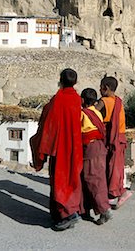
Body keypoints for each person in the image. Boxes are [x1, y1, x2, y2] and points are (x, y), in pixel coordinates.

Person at [30, 68, 83, 230]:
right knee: (71, 178)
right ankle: (63, 214)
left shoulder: (58, 100)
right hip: (74, 147)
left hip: (61, 148)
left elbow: (49, 122)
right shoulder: (76, 99)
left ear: (60, 80)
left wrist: (41, 146)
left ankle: (66, 214)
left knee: (60, 180)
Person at [96, 76, 132, 209]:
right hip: (120, 137)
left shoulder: (103, 101)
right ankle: (118, 191)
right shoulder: (118, 101)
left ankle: (114, 194)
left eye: (101, 87)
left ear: (105, 88)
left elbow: (92, 114)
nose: (99, 90)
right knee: (116, 166)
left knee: (110, 166)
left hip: (111, 138)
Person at [81, 88, 112, 225]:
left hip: (90, 149)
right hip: (100, 148)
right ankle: (85, 209)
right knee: (97, 179)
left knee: (92, 180)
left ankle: (104, 210)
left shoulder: (82, 114)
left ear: (82, 100)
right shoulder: (97, 113)